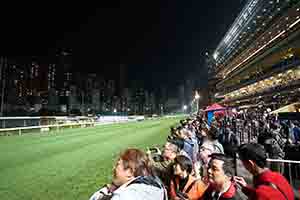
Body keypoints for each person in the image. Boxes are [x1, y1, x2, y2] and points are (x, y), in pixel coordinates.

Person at [89, 148, 166, 200]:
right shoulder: (155, 180)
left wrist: (106, 189)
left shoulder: (124, 196)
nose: (114, 168)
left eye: (117, 165)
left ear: (130, 172)